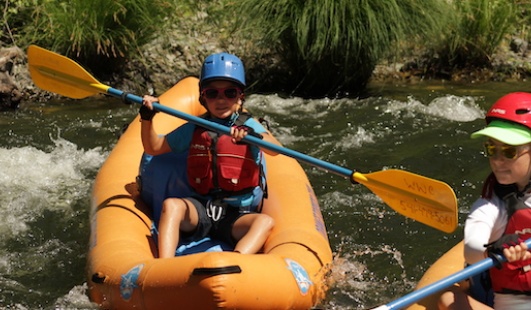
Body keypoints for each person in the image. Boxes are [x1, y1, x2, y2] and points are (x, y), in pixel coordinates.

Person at [139, 52, 280, 258]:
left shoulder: (247, 125)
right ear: (203, 97)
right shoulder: (195, 127)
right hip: (201, 208)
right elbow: (154, 147)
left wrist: (253, 136)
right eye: (213, 93)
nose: (221, 100)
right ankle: (165, 268)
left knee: (265, 222)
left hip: (237, 216)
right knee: (172, 206)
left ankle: (236, 262)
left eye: (229, 93)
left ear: (240, 97)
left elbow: (274, 149)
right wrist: (147, 118)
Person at [439, 92, 531, 310]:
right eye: (492, 149)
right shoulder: (492, 205)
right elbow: (471, 248)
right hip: (514, 304)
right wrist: (496, 250)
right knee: (447, 299)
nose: (497, 160)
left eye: (509, 151)